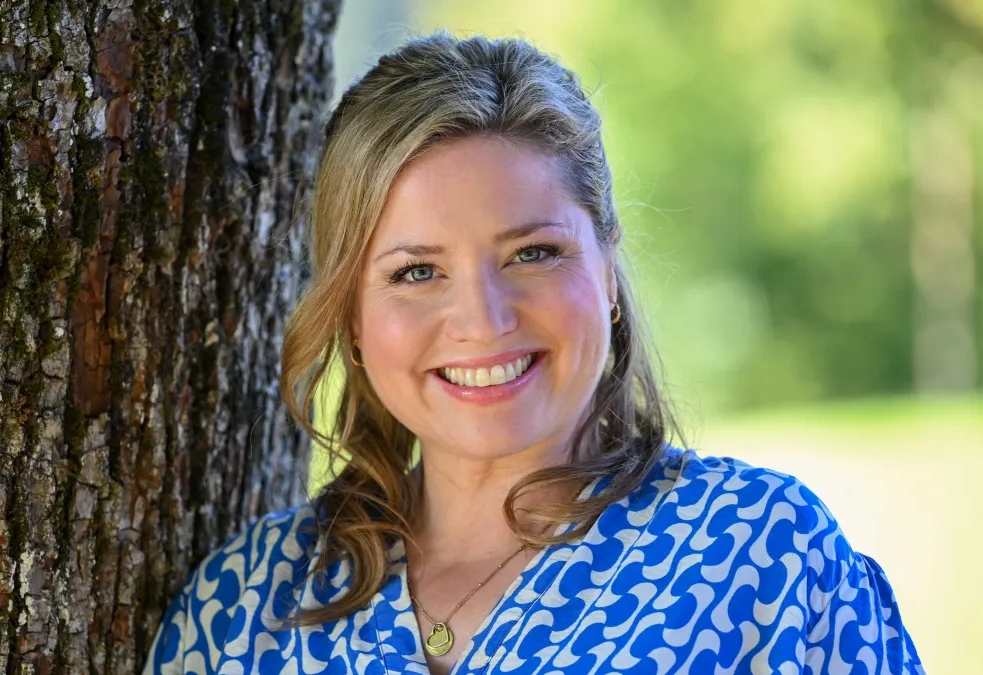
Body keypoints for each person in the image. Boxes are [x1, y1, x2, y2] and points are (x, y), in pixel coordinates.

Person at [144, 32, 924, 675]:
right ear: (351, 312)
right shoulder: (244, 606)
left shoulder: (762, 555)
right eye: (417, 271)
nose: (482, 320)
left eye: (533, 253)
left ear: (610, 273)